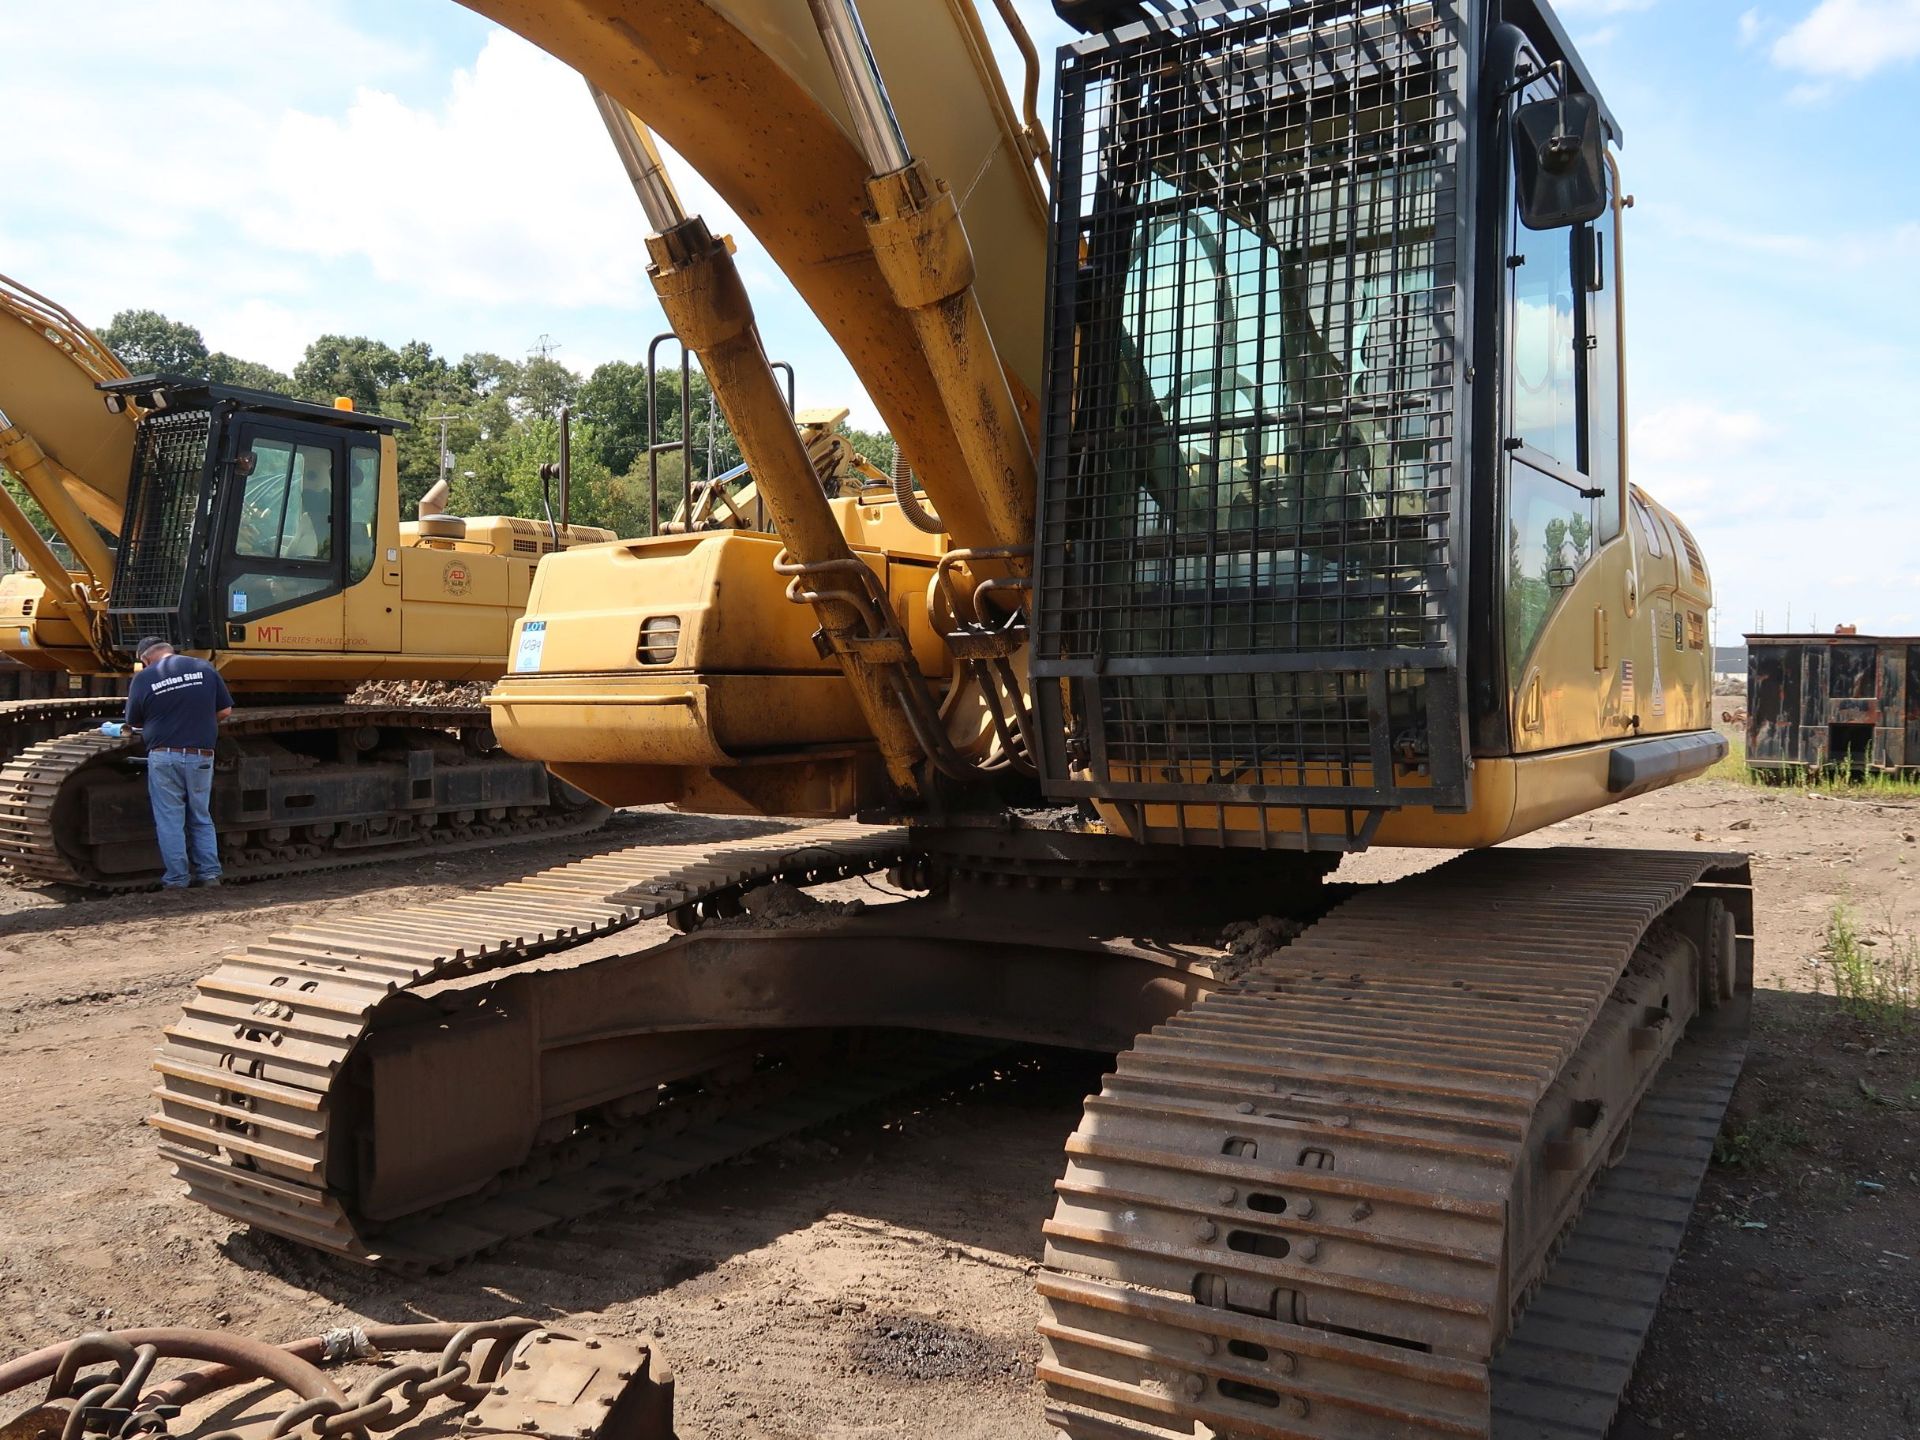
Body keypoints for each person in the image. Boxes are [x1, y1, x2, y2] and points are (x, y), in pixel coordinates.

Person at [102, 637, 234, 890]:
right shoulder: (204, 667)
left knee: (170, 819)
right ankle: (209, 875)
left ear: (146, 659)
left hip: (164, 755)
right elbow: (225, 711)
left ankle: (177, 879)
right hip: (201, 755)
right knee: (200, 816)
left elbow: (134, 721)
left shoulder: (145, 677)